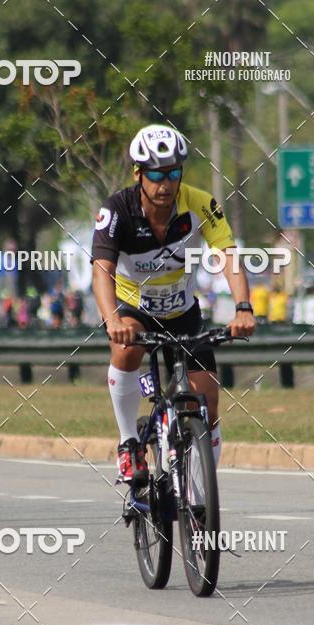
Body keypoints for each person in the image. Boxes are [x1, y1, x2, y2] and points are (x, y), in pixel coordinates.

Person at [91, 123, 255, 484]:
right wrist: (112, 319)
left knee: (208, 401)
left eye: (173, 173)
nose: (165, 184)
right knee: (126, 345)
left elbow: (228, 255)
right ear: (138, 173)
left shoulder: (200, 203)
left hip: (183, 312)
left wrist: (243, 307)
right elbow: (101, 271)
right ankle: (129, 444)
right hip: (135, 309)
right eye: (155, 174)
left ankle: (199, 493)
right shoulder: (117, 210)